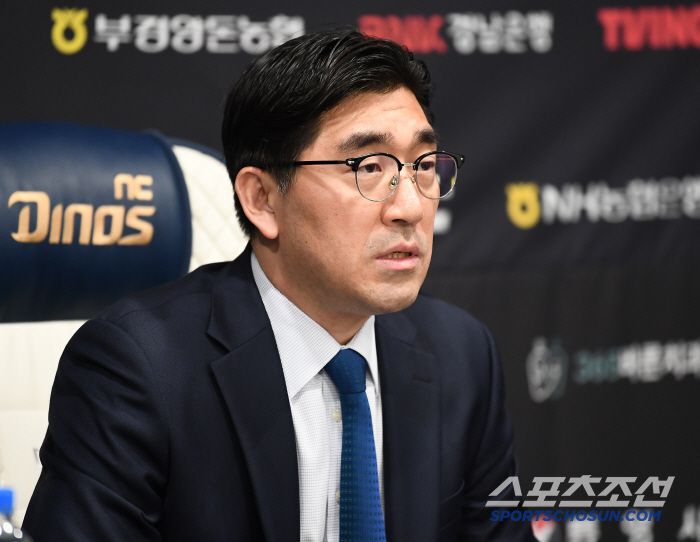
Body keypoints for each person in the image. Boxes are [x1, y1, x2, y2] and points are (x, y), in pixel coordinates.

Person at [23, 29, 535, 541]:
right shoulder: (139, 368)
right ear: (262, 199)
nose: (410, 207)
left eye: (423, 165)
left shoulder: (461, 355)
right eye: (368, 167)